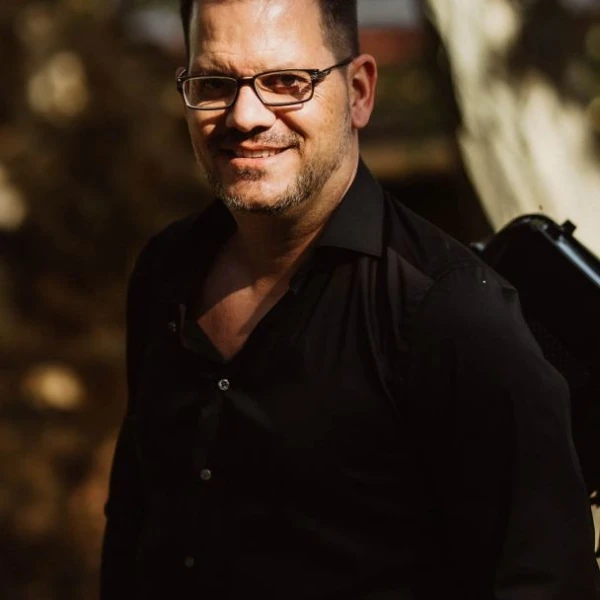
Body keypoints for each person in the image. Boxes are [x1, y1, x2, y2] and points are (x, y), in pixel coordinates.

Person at [101, 0, 600, 598]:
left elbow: (545, 581)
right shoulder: (165, 270)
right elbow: (134, 521)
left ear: (359, 92)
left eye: (286, 81)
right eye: (214, 84)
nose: (245, 115)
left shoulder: (449, 312)